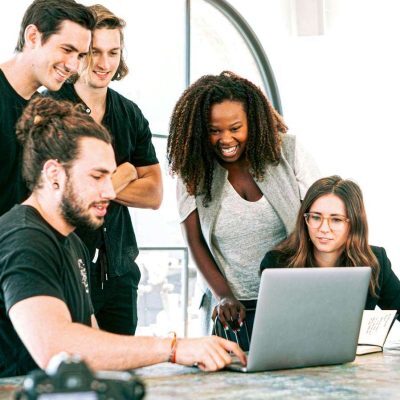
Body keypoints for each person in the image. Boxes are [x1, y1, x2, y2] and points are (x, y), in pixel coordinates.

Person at [0, 96, 246, 378]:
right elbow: (57, 349)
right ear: (54, 174)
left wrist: (190, 353)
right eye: (97, 177)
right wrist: (174, 348)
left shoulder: (73, 243)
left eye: (111, 177)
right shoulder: (24, 239)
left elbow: (92, 341)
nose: (110, 191)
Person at [167, 71, 320, 335]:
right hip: (232, 308)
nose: (226, 139)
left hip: (293, 295)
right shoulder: (192, 169)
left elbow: (319, 219)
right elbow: (194, 241)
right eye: (214, 131)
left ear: (254, 122)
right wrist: (224, 296)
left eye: (235, 128)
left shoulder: (288, 151)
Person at [46, 4, 163, 336]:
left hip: (119, 274)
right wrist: (124, 174)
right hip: (64, 270)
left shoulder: (130, 114)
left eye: (113, 52)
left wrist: (96, 184)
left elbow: (154, 194)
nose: (104, 63)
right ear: (80, 52)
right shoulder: (50, 108)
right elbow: (58, 192)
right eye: (94, 52)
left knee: (122, 364)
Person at [0, 0, 95, 217]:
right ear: (33, 37)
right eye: (67, 49)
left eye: (80, 55)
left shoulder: (44, 111)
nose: (73, 66)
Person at [261, 175, 400, 312]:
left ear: (354, 223)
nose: (324, 228)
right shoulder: (276, 263)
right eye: (316, 217)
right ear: (305, 219)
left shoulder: (375, 261)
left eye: (336, 220)